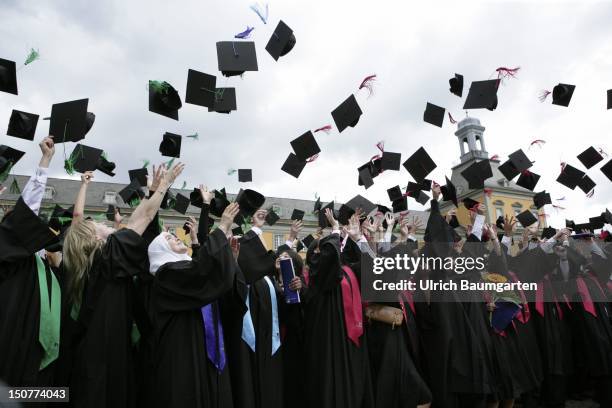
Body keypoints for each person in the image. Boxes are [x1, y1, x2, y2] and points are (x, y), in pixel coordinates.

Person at [62, 162, 184, 408]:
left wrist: (152, 193)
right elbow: (144, 217)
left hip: (90, 359)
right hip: (107, 363)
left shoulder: (92, 266)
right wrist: (164, 187)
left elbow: (138, 221)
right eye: (99, 225)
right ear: (94, 237)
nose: (105, 225)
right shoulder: (108, 259)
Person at [148, 194, 240, 408]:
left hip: (208, 350)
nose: (177, 237)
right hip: (183, 353)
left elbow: (216, 285)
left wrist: (232, 264)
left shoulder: (183, 266)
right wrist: (222, 227)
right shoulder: (165, 274)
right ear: (159, 249)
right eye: (169, 238)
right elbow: (200, 271)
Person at [0, 137, 63, 389]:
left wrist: (46, 160)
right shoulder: (8, 250)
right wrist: (44, 163)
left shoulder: (32, 258)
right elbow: (28, 208)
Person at [303, 209, 374, 408]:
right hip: (331, 343)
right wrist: (334, 230)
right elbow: (328, 260)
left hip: (354, 342)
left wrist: (359, 238)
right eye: (321, 249)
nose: (330, 250)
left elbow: (374, 268)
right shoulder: (320, 277)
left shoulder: (349, 270)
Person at [222, 208, 284, 408]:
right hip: (246, 343)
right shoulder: (237, 280)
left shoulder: (267, 280)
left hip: (267, 341)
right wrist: (255, 228)